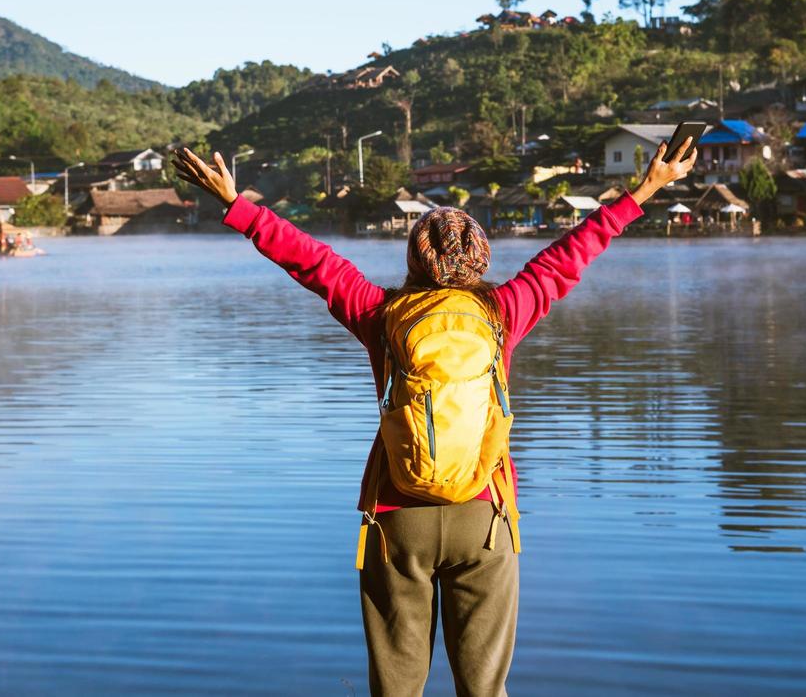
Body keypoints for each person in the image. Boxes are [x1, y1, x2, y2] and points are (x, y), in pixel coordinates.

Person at [174, 138, 698, 696]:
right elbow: (570, 254)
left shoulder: (379, 313)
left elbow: (312, 261)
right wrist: (645, 188)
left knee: (397, 688)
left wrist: (237, 204)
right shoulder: (503, 311)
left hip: (399, 516)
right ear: (481, 259)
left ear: (412, 259)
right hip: (484, 517)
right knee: (483, 690)